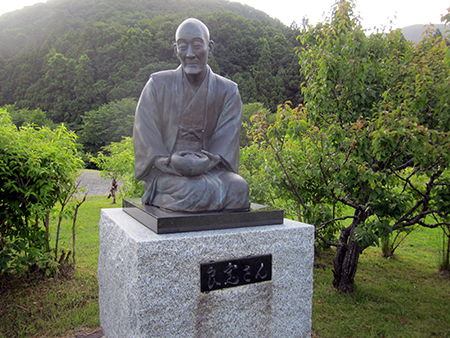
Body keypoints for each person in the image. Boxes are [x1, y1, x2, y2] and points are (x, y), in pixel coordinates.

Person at [133, 18, 250, 212]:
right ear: (175, 50)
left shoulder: (228, 91)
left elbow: (226, 138)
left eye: (197, 46)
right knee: (190, 190)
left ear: (210, 48)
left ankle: (189, 197)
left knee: (239, 188)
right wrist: (166, 161)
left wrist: (208, 160)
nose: (190, 54)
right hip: (168, 172)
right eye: (182, 47)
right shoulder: (157, 84)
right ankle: (171, 194)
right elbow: (145, 132)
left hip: (210, 170)